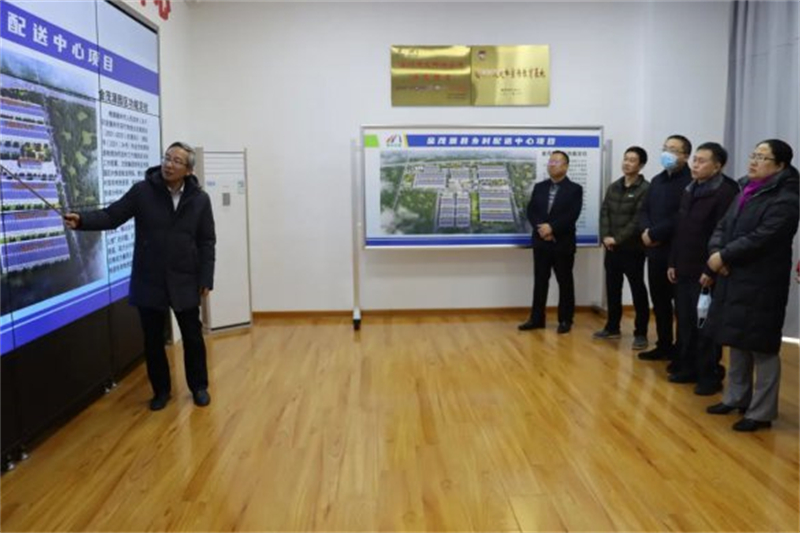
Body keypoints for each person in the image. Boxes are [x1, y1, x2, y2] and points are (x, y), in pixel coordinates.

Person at [64, 142, 216, 411]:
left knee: (192, 337)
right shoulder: (143, 191)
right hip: (150, 278)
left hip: (184, 279)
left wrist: (206, 277)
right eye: (167, 158)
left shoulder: (200, 199)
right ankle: (161, 391)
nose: (169, 164)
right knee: (153, 340)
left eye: (177, 161)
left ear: (189, 170)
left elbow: (207, 241)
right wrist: (83, 221)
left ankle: (199, 386)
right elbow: (112, 216)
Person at [704, 139, 799, 431]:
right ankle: (736, 397)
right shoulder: (746, 188)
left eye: (762, 157)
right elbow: (723, 226)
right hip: (734, 274)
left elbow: (763, 237)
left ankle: (761, 412)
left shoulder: (787, 197)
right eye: (753, 154)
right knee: (736, 338)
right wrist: (717, 253)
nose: (754, 161)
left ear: (780, 165)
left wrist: (724, 256)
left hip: (762, 280)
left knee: (762, 346)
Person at [666, 142, 738, 394]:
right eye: (694, 160)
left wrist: (710, 270)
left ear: (717, 166)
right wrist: (672, 261)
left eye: (702, 161)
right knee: (685, 322)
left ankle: (709, 375)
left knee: (706, 326)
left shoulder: (726, 192)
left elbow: (723, 234)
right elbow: (680, 229)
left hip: (706, 271)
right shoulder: (690, 188)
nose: (695, 165)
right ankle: (688, 367)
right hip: (683, 266)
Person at [638, 134, 693, 363]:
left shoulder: (690, 182)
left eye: (673, 149)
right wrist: (646, 231)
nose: (666, 153)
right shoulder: (658, 180)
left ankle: (682, 351)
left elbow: (681, 216)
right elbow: (644, 209)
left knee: (681, 306)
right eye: (664, 148)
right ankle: (663, 344)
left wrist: (655, 234)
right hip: (654, 251)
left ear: (685, 156)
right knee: (659, 302)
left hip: (676, 252)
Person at [519, 150, 583, 334]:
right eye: (550, 161)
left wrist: (552, 228)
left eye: (556, 161)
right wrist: (542, 229)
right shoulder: (540, 187)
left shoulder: (575, 189)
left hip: (562, 243)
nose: (552, 165)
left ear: (566, 166)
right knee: (540, 281)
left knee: (565, 282)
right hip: (541, 242)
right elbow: (531, 211)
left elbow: (572, 215)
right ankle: (536, 319)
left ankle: (565, 319)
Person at [594, 146, 651, 350]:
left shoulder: (645, 189)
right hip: (611, 248)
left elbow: (637, 220)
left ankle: (641, 333)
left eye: (632, 160)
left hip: (633, 249)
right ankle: (612, 327)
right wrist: (606, 236)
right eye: (625, 159)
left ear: (641, 165)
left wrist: (617, 239)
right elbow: (604, 213)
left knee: (637, 290)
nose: (627, 163)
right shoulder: (614, 186)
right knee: (612, 288)